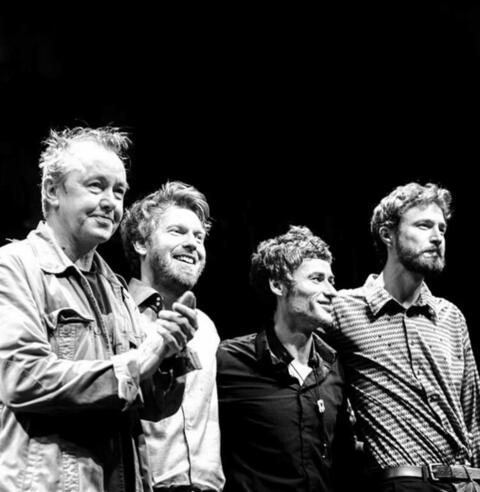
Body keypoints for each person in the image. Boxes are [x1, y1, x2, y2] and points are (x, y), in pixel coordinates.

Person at [0, 127, 198, 492]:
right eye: (96, 186)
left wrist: (168, 354)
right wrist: (138, 362)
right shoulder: (13, 266)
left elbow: (153, 409)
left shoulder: (116, 288)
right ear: (52, 191)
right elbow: (21, 378)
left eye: (119, 191)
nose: (111, 202)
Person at [323, 182, 480, 492]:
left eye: (442, 228)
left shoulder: (451, 317)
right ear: (388, 234)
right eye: (424, 225)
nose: (437, 237)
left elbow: (475, 416)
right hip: (404, 481)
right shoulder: (344, 309)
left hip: (469, 483)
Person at [217, 225, 358, 492]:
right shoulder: (229, 361)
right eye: (317, 279)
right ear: (278, 285)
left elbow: (344, 461)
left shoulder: (334, 366)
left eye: (331, 280)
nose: (332, 292)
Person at [120, 181, 225, 492]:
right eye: (178, 232)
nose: (193, 244)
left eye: (199, 237)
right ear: (141, 243)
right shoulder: (116, 315)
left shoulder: (206, 327)